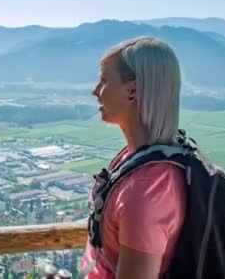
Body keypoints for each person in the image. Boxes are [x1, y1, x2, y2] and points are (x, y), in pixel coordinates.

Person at [79, 37, 186, 278]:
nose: (95, 91)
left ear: (133, 91)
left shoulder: (145, 190)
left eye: (105, 80)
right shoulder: (143, 160)